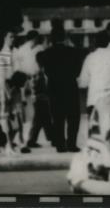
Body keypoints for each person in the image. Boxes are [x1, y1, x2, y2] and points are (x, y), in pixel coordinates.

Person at [37, 22, 82, 152]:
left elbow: (44, 70)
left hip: (54, 87)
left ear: (51, 38)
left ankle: (60, 144)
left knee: (57, 117)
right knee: (73, 117)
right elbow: (77, 72)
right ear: (64, 37)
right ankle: (72, 143)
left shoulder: (46, 53)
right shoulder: (73, 52)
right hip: (70, 86)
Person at [78, 34, 110, 117]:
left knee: (94, 128)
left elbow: (83, 83)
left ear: (95, 43)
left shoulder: (90, 58)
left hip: (94, 101)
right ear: (108, 42)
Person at [5, 72, 28, 151]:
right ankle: (10, 144)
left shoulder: (17, 89)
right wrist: (10, 112)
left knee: (19, 128)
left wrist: (22, 103)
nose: (25, 83)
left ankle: (21, 144)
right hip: (13, 112)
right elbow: (10, 101)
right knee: (14, 129)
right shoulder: (14, 90)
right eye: (24, 82)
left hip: (17, 111)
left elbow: (17, 100)